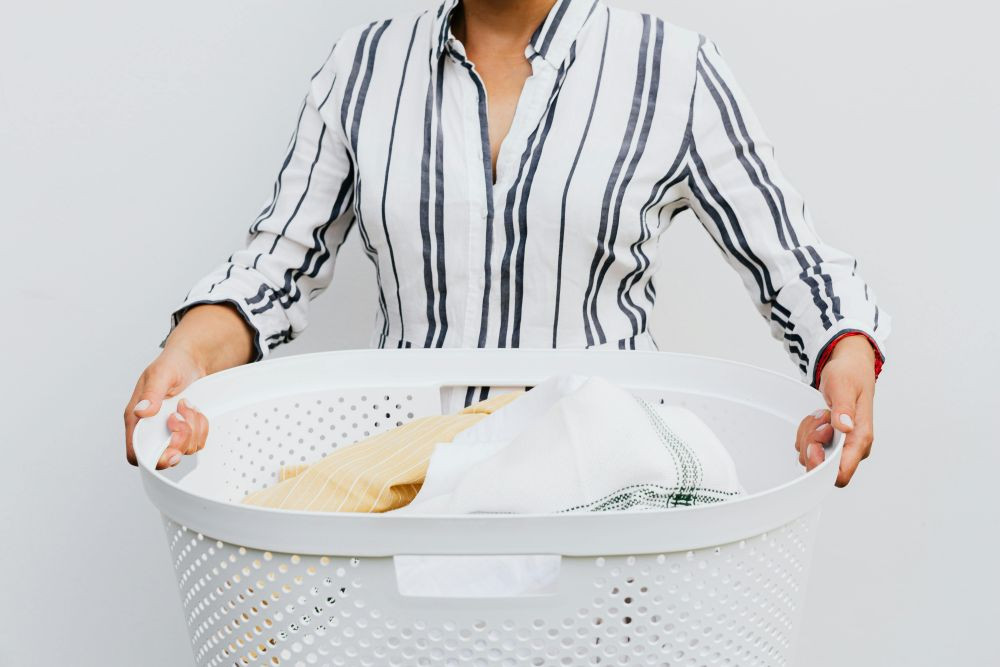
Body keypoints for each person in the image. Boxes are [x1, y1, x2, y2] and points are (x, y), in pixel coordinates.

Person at [124, 0, 889, 487]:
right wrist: (186, 356)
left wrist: (845, 353)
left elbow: (793, 260)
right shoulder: (361, 68)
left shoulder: (674, 69)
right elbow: (276, 265)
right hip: (410, 493)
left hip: (610, 497)